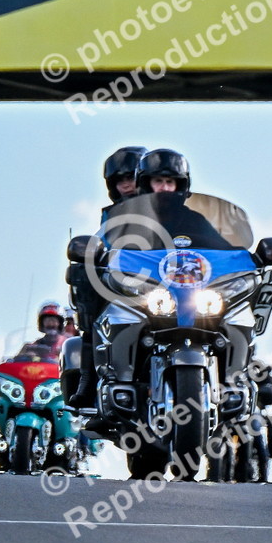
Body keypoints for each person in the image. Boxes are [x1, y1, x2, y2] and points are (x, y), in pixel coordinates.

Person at [69, 147, 193, 414]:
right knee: (84, 277)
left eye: (131, 178)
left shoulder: (181, 212)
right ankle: (89, 378)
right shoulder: (115, 216)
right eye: (120, 180)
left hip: (178, 286)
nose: (127, 185)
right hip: (134, 285)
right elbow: (102, 244)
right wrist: (94, 257)